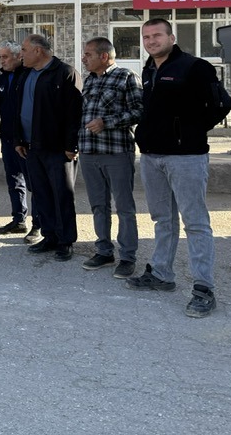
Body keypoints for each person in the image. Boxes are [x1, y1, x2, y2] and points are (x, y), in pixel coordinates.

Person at [126, 18, 224, 318]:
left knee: (195, 222)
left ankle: (203, 289)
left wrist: (189, 132)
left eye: (157, 35)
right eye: (146, 37)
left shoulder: (195, 67)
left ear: (171, 36)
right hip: (153, 156)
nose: (151, 41)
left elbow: (221, 104)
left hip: (186, 158)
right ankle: (161, 275)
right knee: (162, 220)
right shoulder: (149, 69)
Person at [78, 37, 143, 279]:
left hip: (116, 152)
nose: (84, 58)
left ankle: (128, 257)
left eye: (88, 54)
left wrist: (107, 123)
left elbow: (139, 111)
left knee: (124, 207)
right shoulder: (89, 80)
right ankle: (104, 251)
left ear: (103, 56)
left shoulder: (126, 76)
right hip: (89, 152)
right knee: (98, 205)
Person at [14, 34, 82, 262]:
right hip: (32, 146)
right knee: (42, 194)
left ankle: (65, 241)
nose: (20, 54)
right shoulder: (25, 74)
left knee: (62, 195)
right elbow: (18, 109)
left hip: (58, 149)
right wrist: (19, 140)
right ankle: (50, 235)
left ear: (38, 51)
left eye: (24, 49)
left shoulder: (65, 73)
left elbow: (75, 112)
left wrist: (71, 145)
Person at [0, 43, 40, 242]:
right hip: (7, 138)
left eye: (5, 57)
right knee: (14, 181)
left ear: (18, 56)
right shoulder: (2, 78)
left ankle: (38, 225)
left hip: (26, 139)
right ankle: (19, 219)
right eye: (0, 57)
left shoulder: (28, 75)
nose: (1, 61)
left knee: (34, 184)